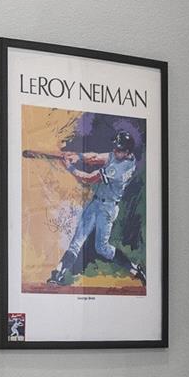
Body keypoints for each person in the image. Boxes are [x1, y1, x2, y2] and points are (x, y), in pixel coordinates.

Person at [51, 120, 141, 285]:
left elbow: (89, 178)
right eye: (115, 147)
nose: (115, 150)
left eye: (118, 149)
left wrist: (70, 167)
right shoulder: (123, 155)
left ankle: (133, 268)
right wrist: (76, 156)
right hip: (96, 203)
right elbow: (96, 157)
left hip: (107, 209)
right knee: (77, 240)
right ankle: (58, 273)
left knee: (103, 249)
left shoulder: (120, 169)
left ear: (127, 152)